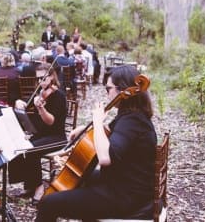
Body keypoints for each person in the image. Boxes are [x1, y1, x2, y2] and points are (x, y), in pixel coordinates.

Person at [35, 65, 157, 221]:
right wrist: (84, 128)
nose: (107, 94)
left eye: (108, 89)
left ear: (123, 90)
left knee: (48, 202)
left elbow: (105, 158)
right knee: (81, 176)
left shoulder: (132, 120)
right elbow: (112, 131)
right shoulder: (132, 115)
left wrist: (97, 122)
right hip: (128, 184)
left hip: (126, 196)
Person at [11, 69, 67, 204]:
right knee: (17, 145)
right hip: (40, 135)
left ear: (52, 76)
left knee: (31, 150)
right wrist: (19, 101)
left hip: (56, 137)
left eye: (44, 77)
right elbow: (26, 102)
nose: (41, 81)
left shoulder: (59, 96)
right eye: (39, 78)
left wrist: (41, 109)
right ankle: (29, 184)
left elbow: (51, 122)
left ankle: (39, 187)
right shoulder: (39, 93)